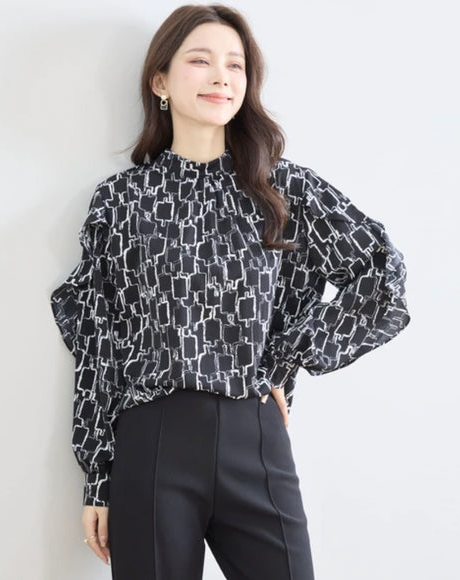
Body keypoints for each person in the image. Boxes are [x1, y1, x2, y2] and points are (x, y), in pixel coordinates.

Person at [49, 4, 411, 579]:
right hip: (153, 439)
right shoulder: (121, 201)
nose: (221, 76)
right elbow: (99, 339)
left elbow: (381, 276)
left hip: (255, 434)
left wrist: (287, 355)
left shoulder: (284, 189)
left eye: (236, 65)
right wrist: (98, 475)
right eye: (201, 61)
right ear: (161, 81)